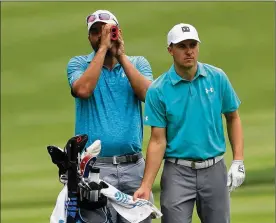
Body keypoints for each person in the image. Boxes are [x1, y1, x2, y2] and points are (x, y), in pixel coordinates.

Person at [133, 23, 245, 223]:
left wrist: (238, 160)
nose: (189, 51)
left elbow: (233, 117)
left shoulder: (217, 78)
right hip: (177, 172)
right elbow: (158, 141)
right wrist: (146, 186)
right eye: (182, 46)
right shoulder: (158, 90)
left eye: (192, 45)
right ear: (170, 50)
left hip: (214, 168)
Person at [66, 9, 153, 223]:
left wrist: (121, 55)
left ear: (119, 32)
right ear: (89, 38)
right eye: (95, 32)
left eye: (107, 31)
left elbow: (149, 96)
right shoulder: (78, 64)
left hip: (134, 167)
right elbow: (83, 90)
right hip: (95, 169)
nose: (100, 36)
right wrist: (104, 48)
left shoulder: (138, 63)